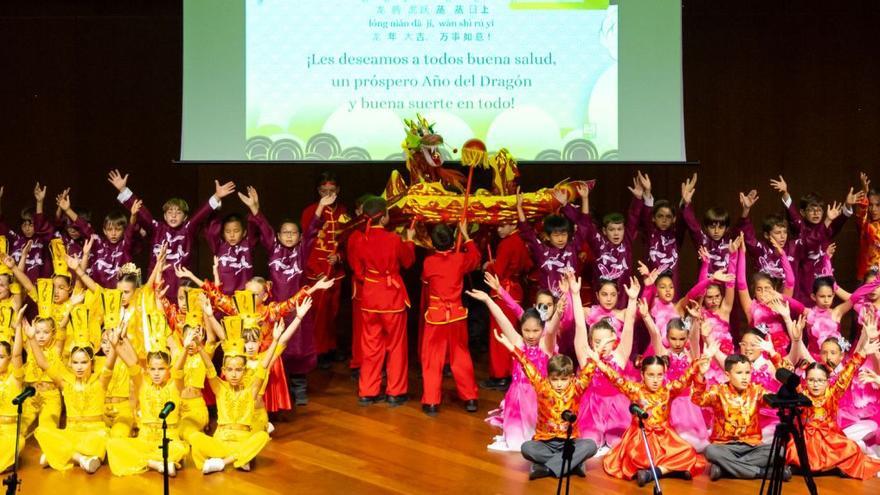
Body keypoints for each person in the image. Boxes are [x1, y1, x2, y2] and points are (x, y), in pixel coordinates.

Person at [584, 343, 709, 485]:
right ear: (642, 375)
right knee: (637, 458)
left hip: (664, 436)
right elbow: (616, 379)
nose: (655, 380)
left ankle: (657, 472)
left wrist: (700, 367)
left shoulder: (668, 390)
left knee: (688, 452)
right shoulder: (635, 390)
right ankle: (672, 470)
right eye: (651, 375)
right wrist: (598, 362)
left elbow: (686, 379)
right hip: (640, 436)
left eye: (659, 375)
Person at [188, 317, 301, 473]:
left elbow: (264, 366)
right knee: (195, 437)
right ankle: (238, 458)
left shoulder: (251, 390)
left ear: (244, 371)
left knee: (261, 436)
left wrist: (275, 340)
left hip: (242, 441)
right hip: (221, 440)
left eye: (239, 370)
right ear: (224, 371)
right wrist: (200, 347)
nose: (234, 374)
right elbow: (208, 367)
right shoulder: (219, 388)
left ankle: (223, 462)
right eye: (230, 370)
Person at [253, 187, 329, 405]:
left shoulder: (302, 251)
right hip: (276, 311)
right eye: (285, 232)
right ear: (278, 236)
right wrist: (255, 209)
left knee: (299, 348)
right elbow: (264, 228)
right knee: (276, 347)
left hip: (298, 309)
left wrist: (321, 206)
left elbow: (313, 229)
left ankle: (300, 386)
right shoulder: (273, 249)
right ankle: (280, 386)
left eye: (293, 233)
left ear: (299, 236)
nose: (288, 236)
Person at [107, 169, 235, 298]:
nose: (173, 215)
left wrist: (217, 196)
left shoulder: (188, 228)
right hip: (157, 285)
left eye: (178, 212)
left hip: (180, 287)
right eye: (169, 212)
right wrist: (123, 190)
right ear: (164, 215)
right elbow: (142, 212)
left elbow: (201, 214)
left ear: (185, 217)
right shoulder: (156, 228)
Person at [493, 328, 599, 479]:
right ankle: (572, 464)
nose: (559, 384)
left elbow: (588, 371)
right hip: (545, 443)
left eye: (563, 379)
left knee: (591, 446)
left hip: (569, 442)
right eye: (555, 379)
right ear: (548, 377)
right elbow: (525, 363)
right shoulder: (542, 386)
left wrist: (595, 359)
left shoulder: (577, 386)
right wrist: (511, 347)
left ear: (571, 377)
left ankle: (547, 469)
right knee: (526, 448)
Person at [469, 282, 562, 451]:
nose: (531, 335)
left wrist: (560, 311)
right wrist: (488, 300)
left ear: (542, 329)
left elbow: (553, 328)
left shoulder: (546, 345)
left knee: (545, 441)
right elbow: (502, 319)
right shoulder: (518, 342)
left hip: (542, 403)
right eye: (527, 331)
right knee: (515, 445)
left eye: (535, 331)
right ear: (521, 329)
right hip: (518, 402)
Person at [346, 197, 415, 405]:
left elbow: (358, 272)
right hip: (391, 298)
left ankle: (367, 391)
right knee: (396, 346)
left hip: (370, 297)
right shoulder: (394, 239)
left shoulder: (359, 239)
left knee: (371, 346)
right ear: (384, 216)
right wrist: (410, 240)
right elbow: (408, 261)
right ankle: (395, 392)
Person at [29, 314, 117, 473]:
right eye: (75, 362)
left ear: (92, 362)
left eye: (84, 362)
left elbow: (110, 364)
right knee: (44, 432)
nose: (79, 366)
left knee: (102, 441)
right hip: (72, 433)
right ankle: (81, 458)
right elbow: (43, 363)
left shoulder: (100, 381)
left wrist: (115, 346)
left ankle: (65, 455)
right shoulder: (65, 383)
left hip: (94, 434)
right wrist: (31, 339)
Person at [692, 353, 791, 481]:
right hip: (724, 446)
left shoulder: (757, 391)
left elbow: (778, 401)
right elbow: (697, 399)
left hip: (752, 446)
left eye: (747, 373)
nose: (745, 377)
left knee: (780, 451)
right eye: (739, 373)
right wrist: (700, 375)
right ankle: (763, 473)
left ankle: (724, 469)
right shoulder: (718, 391)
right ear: (727, 375)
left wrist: (778, 364)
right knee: (710, 451)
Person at [575, 275, 640, 454]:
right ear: (590, 341)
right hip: (592, 409)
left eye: (606, 341)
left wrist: (633, 299)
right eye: (597, 342)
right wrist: (575, 294)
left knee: (618, 443)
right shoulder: (586, 358)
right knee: (589, 443)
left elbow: (628, 327)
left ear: (614, 341)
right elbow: (580, 327)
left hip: (616, 410)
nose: (601, 346)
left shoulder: (619, 356)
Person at [770, 174, 860, 303]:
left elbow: (840, 221)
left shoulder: (827, 228)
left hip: (823, 282)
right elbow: (792, 212)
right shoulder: (799, 227)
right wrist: (785, 192)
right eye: (812, 210)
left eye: (819, 210)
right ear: (803, 212)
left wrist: (847, 205)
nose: (816, 213)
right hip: (804, 284)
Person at [301, 171, 349, 367]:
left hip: (335, 272)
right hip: (316, 273)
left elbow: (348, 243)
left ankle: (330, 347)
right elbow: (306, 244)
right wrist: (315, 268)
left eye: (332, 190)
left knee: (333, 313)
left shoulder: (343, 212)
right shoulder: (310, 211)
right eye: (323, 191)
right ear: (318, 191)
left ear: (337, 190)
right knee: (317, 314)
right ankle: (318, 351)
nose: (328, 194)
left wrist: (339, 257)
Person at [481, 220, 533, 390]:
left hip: (503, 291)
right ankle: (509, 372)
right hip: (516, 291)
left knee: (499, 335)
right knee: (512, 333)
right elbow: (528, 265)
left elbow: (498, 271)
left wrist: (489, 266)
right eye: (498, 225)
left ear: (513, 224)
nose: (499, 229)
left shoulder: (506, 243)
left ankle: (500, 376)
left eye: (503, 225)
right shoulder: (521, 241)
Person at [56, 188, 139, 288]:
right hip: (95, 294)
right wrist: (68, 210)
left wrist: (133, 216)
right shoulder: (98, 243)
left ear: (123, 231)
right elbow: (84, 227)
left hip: (118, 297)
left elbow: (130, 230)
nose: (113, 233)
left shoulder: (125, 245)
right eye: (109, 229)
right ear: (104, 231)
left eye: (117, 229)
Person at [0, 183, 53, 282]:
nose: (27, 228)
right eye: (24, 225)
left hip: (38, 291)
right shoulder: (16, 239)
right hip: (17, 291)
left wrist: (39, 202)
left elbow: (41, 223)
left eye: (31, 225)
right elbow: (1, 225)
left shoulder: (44, 239)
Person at [0, 305, 25, 473]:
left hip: (10, 433)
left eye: (0, 357)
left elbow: (17, 354)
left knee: (18, 441)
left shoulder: (15, 378)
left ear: (8, 358)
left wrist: (17, 328)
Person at [855, 172, 880, 280]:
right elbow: (861, 212)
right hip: (866, 276)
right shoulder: (866, 223)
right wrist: (865, 191)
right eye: (871, 205)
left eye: (878, 205)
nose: (873, 209)